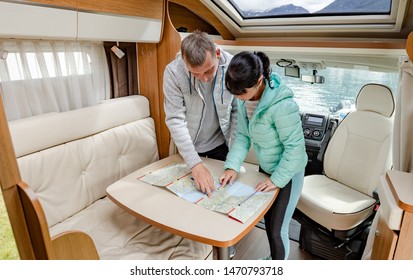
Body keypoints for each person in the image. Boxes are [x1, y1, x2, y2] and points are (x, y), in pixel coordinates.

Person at [219, 51, 307, 260]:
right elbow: (242, 136)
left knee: (278, 230)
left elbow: (296, 150)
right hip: (267, 169)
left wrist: (276, 180)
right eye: (234, 92)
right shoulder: (243, 100)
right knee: (269, 222)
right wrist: (232, 166)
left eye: (241, 92)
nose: (237, 97)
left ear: (259, 81)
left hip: (288, 173)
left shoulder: (282, 105)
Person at [163, 30, 237, 197]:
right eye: (196, 74)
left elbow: (236, 114)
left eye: (208, 71)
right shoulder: (173, 72)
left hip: (221, 147)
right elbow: (175, 120)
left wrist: (234, 159)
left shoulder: (233, 66)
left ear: (217, 54)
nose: (204, 79)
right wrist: (195, 164)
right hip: (187, 149)